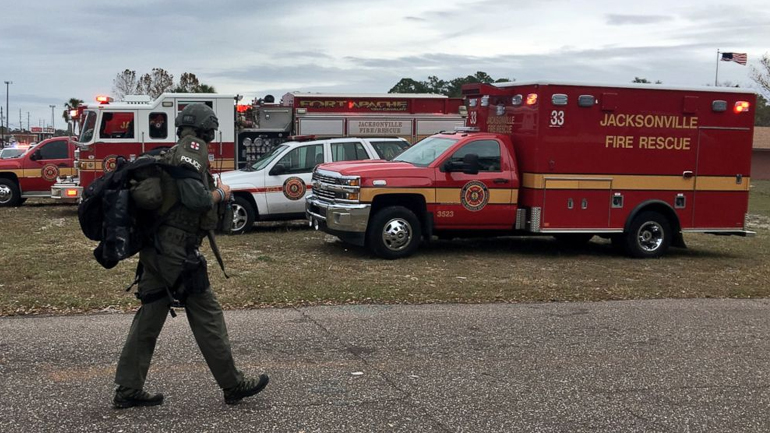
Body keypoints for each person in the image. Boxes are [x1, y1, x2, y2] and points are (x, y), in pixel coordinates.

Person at [113, 103, 269, 409]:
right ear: (204, 128)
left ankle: (128, 389)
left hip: (156, 249)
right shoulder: (192, 148)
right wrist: (221, 194)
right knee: (207, 314)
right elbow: (196, 200)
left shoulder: (173, 150)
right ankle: (233, 384)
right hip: (176, 251)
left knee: (149, 317)